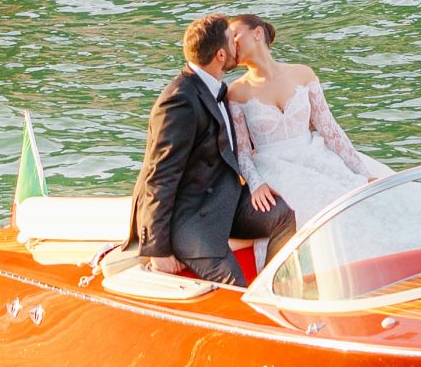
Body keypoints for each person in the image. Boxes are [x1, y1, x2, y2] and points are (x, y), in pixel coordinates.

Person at [126, 14, 295, 288]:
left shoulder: (215, 88)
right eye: (231, 42)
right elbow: (160, 177)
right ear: (220, 55)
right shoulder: (179, 101)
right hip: (191, 218)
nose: (236, 48)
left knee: (282, 214)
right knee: (235, 285)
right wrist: (157, 249)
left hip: (223, 199)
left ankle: (274, 289)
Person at [224, 13, 387, 228]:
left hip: (314, 155)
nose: (231, 45)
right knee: (314, 208)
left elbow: (330, 129)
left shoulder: (303, 73)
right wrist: (256, 184)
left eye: (235, 35)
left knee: (359, 201)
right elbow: (242, 152)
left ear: (258, 33)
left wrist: (364, 174)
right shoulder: (236, 91)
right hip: (274, 167)